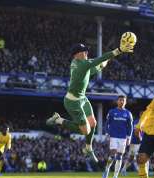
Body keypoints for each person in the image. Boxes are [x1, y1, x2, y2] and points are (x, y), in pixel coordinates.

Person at [46, 32, 137, 162]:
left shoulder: (79, 64)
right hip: (73, 102)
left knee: (93, 123)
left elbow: (94, 68)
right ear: (77, 54)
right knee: (85, 130)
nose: (87, 53)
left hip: (82, 98)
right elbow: (98, 60)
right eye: (84, 51)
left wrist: (102, 65)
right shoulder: (82, 64)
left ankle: (88, 148)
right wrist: (119, 50)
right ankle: (58, 120)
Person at [102, 95, 133, 178]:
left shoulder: (128, 113)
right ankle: (107, 169)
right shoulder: (112, 112)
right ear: (117, 101)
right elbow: (107, 123)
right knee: (112, 155)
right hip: (113, 136)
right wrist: (107, 133)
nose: (121, 102)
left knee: (119, 156)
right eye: (120, 100)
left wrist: (129, 137)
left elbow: (130, 126)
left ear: (125, 102)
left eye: (123, 100)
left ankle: (115, 176)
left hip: (123, 137)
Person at [121, 111, 144, 176]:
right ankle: (140, 171)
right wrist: (140, 139)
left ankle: (124, 169)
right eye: (142, 114)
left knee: (132, 157)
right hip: (135, 142)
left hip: (139, 142)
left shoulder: (145, 122)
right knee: (137, 157)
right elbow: (136, 132)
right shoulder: (137, 122)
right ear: (140, 115)